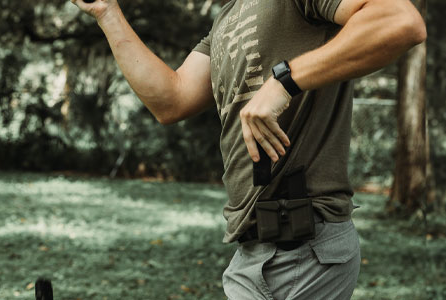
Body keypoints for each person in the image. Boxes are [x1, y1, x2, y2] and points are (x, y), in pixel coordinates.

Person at [71, 0, 426, 298]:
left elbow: (400, 20)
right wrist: (107, 13)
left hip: (301, 243)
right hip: (254, 250)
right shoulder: (228, 17)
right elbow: (172, 100)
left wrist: (285, 80)